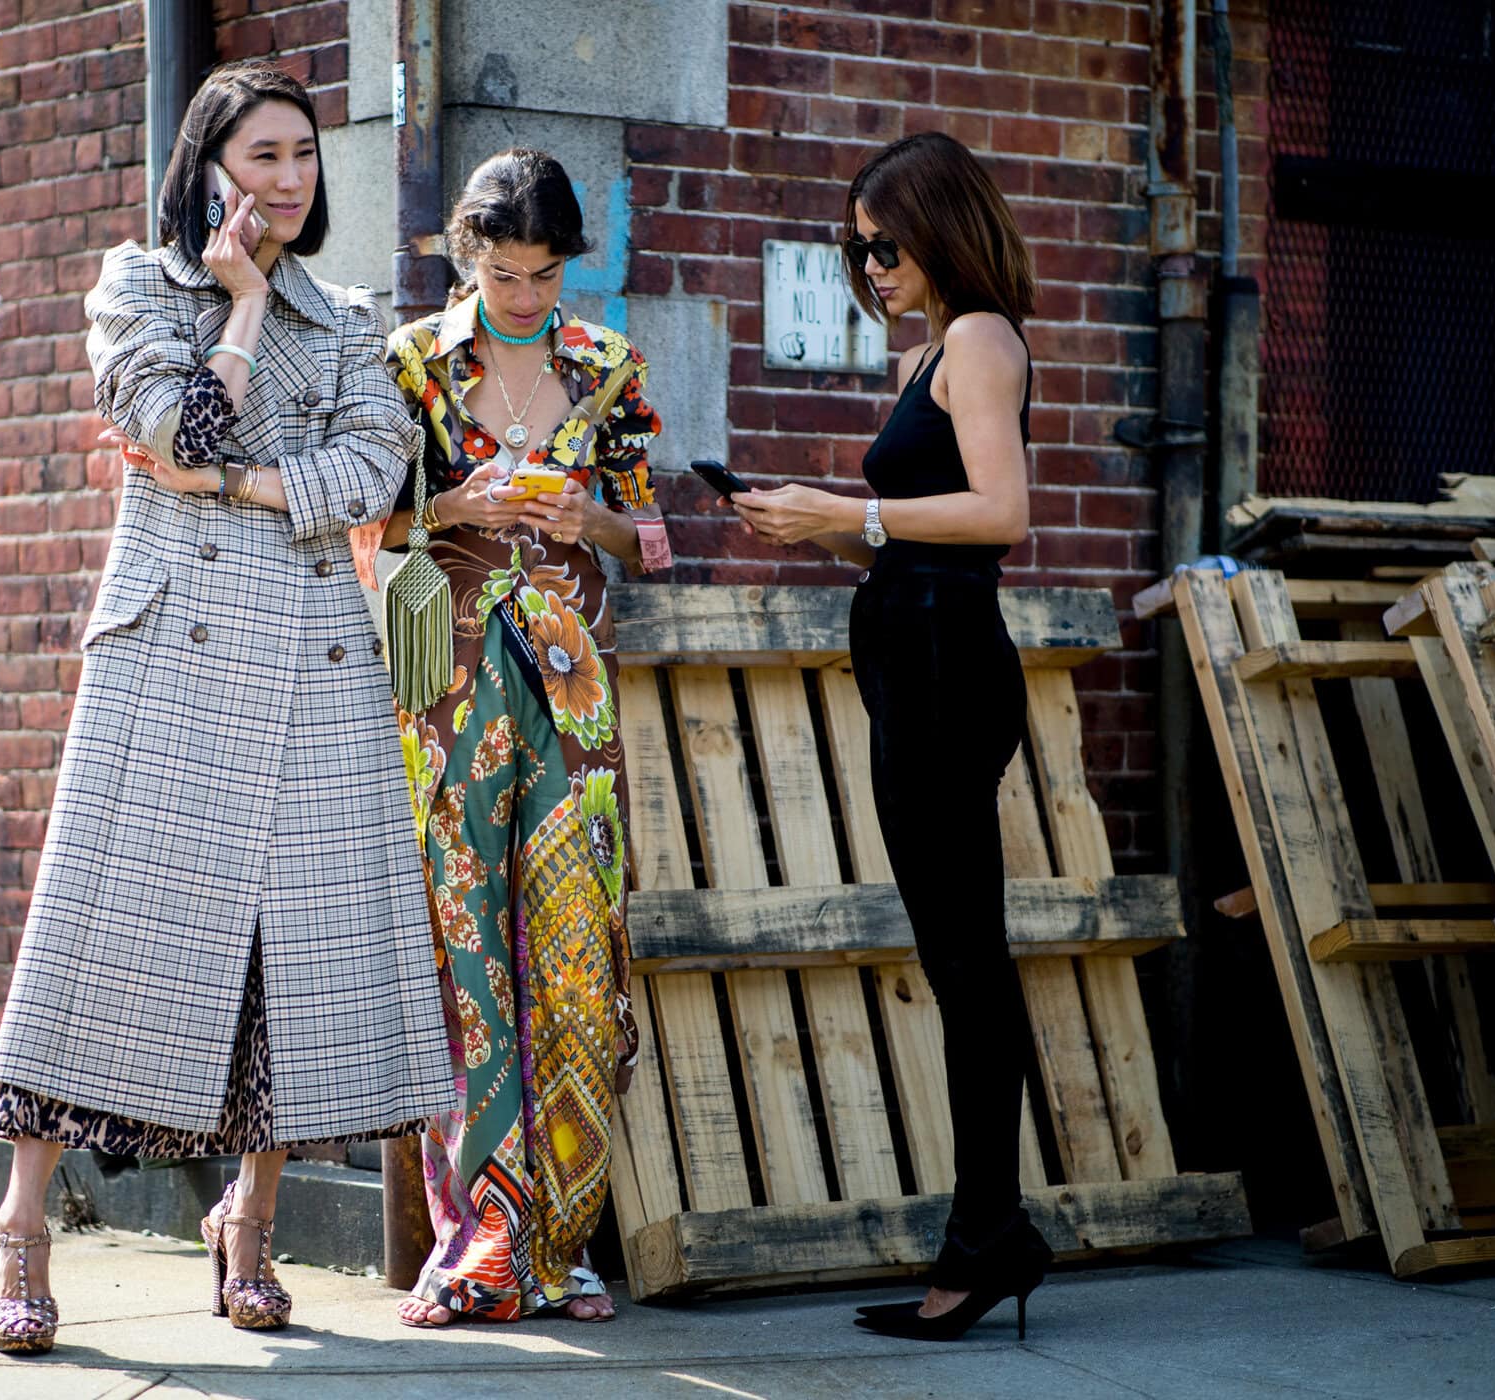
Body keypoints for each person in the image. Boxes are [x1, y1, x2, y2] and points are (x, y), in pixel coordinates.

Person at [0, 61, 454, 1352]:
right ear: (206, 168)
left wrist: (243, 486)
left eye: (304, 153)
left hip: (314, 656)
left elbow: (378, 465)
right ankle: (21, 1228)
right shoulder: (136, 286)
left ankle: (249, 1223)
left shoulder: (347, 314)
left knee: (284, 963)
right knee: (98, 939)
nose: (290, 178)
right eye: (263, 156)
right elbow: (178, 432)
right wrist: (241, 305)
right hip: (166, 661)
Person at [726, 131, 1054, 1341]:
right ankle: (989, 1232)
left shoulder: (981, 341)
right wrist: (810, 522)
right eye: (858, 249)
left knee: (968, 961)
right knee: (960, 954)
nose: (871, 267)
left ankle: (987, 1239)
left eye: (887, 245)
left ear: (944, 231)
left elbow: (1002, 513)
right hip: (918, 654)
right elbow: (913, 533)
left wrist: (852, 510)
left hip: (946, 664)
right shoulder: (931, 352)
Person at [367, 147, 670, 1327]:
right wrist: (456, 504)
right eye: (504, 273)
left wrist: (588, 515)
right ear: (468, 256)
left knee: (577, 949)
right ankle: (477, 1243)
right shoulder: (412, 363)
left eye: (546, 274)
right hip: (442, 684)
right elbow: (364, 524)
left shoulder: (607, 367)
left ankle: (564, 1241)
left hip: (571, 688)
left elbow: (653, 538)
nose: (527, 295)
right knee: (462, 951)